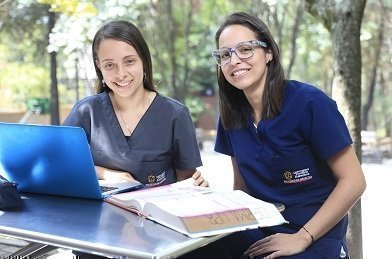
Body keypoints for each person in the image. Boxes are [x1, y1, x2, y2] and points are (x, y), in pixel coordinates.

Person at [189, 11, 365, 259]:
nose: (234, 60)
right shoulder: (231, 116)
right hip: (260, 229)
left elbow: (354, 181)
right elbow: (242, 188)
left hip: (315, 235)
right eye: (225, 54)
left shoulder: (310, 103)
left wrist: (302, 237)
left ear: (268, 52)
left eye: (245, 49)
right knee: (192, 249)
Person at [63, 20, 207, 258]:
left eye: (129, 61)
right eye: (110, 65)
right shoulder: (86, 112)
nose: (121, 74)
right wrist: (106, 173)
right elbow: (61, 165)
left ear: (143, 60)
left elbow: (186, 183)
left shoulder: (175, 114)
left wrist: (199, 187)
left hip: (159, 237)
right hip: (96, 235)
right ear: (99, 67)